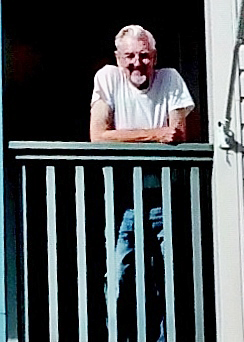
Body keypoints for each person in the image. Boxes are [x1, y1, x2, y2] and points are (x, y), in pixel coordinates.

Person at [90, 25, 195, 341]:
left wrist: (131, 137)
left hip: (164, 194)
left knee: (170, 278)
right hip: (123, 198)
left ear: (155, 57)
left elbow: (178, 134)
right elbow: (98, 136)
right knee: (120, 277)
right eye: (130, 56)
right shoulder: (107, 77)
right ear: (118, 58)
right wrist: (154, 134)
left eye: (144, 56)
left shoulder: (171, 79)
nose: (137, 63)